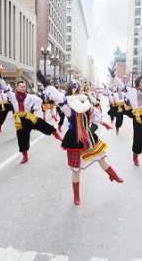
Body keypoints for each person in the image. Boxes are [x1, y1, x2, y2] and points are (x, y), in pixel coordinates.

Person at [38, 71, 123, 206]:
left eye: (81, 89)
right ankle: (76, 196)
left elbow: (96, 116)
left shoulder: (87, 105)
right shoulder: (68, 106)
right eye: (79, 89)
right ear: (73, 93)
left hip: (88, 136)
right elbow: (57, 97)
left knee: (100, 157)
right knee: (75, 169)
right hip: (74, 139)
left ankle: (113, 175)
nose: (81, 90)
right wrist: (47, 84)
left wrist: (104, 123)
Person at [0, 70, 63, 164]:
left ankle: (57, 136)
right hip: (19, 120)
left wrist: (34, 109)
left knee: (41, 123)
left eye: (24, 86)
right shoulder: (11, 95)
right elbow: (3, 85)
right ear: (17, 87)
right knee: (22, 138)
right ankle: (25, 156)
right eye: (21, 86)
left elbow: (39, 101)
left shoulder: (29, 96)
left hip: (29, 117)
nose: (23, 88)